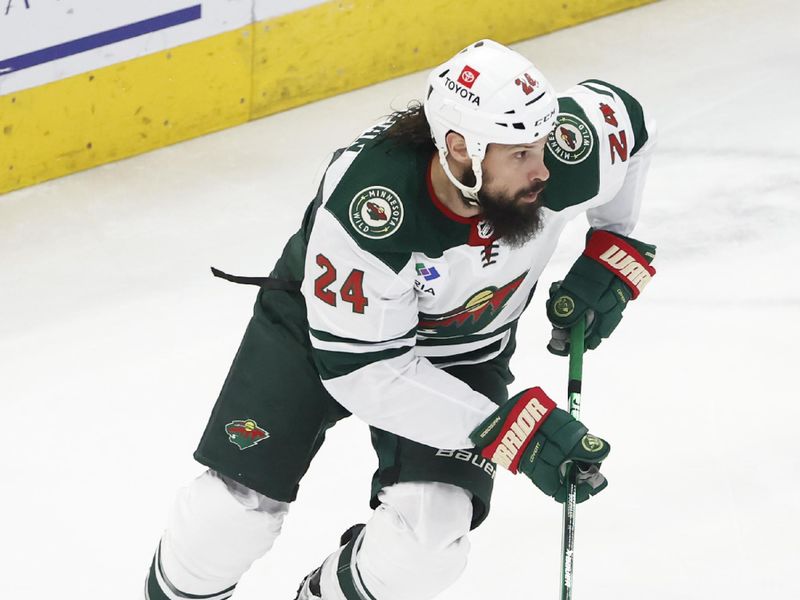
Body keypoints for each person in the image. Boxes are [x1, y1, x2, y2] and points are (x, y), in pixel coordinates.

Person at [144, 38, 656, 600]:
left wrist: (612, 245)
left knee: (428, 544)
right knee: (226, 519)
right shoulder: (372, 209)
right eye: (519, 155)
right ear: (461, 148)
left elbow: (628, 123)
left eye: (540, 146)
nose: (543, 171)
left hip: (464, 350)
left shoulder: (560, 151)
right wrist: (515, 433)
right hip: (324, 335)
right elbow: (367, 374)